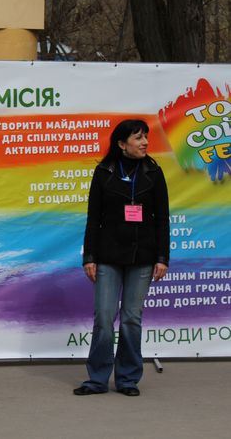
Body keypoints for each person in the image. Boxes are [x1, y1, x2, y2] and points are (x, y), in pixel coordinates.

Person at [73, 119, 170, 397]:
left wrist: (162, 257)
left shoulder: (154, 172)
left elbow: (162, 219)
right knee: (104, 317)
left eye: (145, 137)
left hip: (144, 256)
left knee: (131, 318)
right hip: (108, 255)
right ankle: (97, 379)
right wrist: (89, 257)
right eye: (138, 138)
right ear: (121, 143)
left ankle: (128, 379)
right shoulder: (104, 171)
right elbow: (93, 218)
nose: (145, 142)